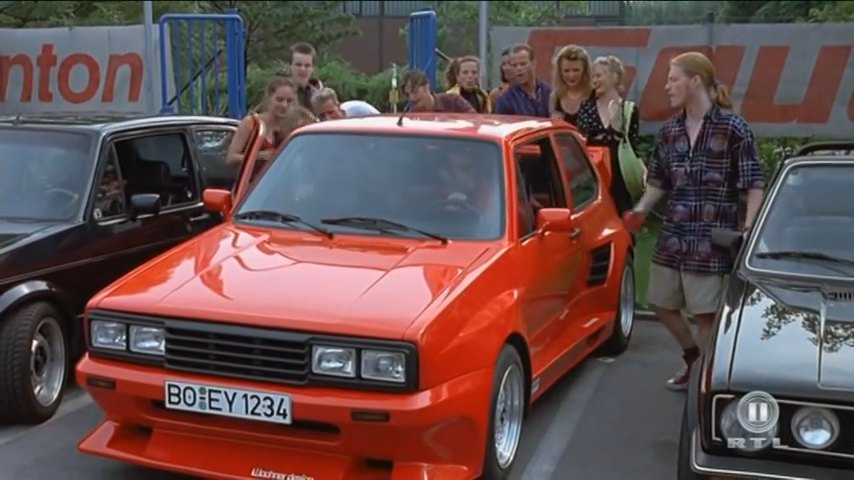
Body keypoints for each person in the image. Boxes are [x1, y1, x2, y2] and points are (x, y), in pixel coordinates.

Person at [623, 51, 765, 391]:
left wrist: (748, 228)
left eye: (674, 79)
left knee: (705, 315)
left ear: (695, 81)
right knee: (660, 303)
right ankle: (693, 359)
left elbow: (753, 184)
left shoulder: (733, 128)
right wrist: (640, 209)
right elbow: (659, 181)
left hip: (711, 238)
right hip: (674, 234)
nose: (667, 86)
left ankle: (705, 383)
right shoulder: (670, 130)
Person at [575, 56, 638, 216]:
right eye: (593, 77)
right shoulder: (586, 107)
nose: (595, 80)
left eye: (599, 75)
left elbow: (632, 147)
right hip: (594, 174)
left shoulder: (628, 109)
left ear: (614, 77)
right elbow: (580, 141)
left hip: (620, 176)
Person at [227, 76, 296, 166]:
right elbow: (231, 158)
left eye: (289, 101)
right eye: (279, 100)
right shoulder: (251, 123)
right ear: (269, 98)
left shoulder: (291, 127)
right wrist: (259, 156)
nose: (284, 105)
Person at [494, 44, 551, 118]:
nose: (519, 68)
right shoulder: (506, 101)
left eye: (523, 64)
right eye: (514, 65)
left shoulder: (548, 92)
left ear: (533, 64)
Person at [550, 45, 593, 127]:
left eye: (576, 70)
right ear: (560, 72)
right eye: (566, 71)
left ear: (585, 70)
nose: (571, 75)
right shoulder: (555, 97)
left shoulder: (595, 95)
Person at [403, 70, 476, 113]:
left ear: (426, 86)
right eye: (408, 94)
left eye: (414, 92)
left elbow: (474, 119)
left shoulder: (453, 101)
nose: (411, 98)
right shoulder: (412, 116)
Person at [289, 42, 324, 110]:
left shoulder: (318, 95)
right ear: (290, 66)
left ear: (313, 68)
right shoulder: (281, 95)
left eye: (307, 66)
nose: (302, 69)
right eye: (298, 65)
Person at [310, 87, 380, 121]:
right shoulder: (318, 131)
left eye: (331, 112)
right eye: (322, 116)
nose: (327, 119)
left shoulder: (360, 110)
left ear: (338, 106)